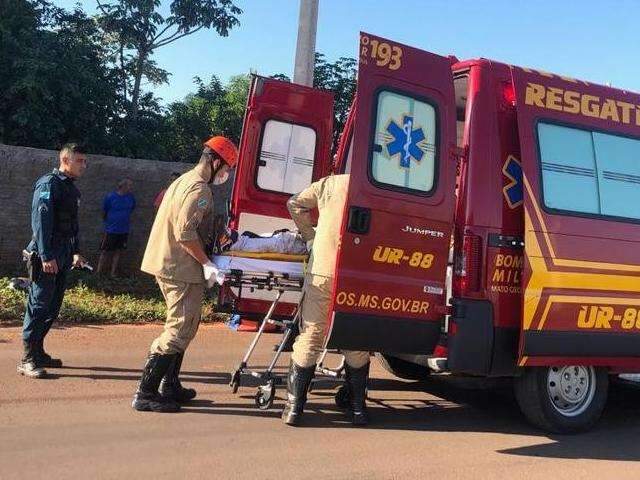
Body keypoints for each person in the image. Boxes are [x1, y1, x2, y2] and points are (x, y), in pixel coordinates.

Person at [132, 136, 237, 413]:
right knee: (179, 329)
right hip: (180, 267)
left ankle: (171, 385)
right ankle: (146, 392)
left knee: (187, 326)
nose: (226, 174)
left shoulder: (183, 181)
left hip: (172, 264)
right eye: (226, 168)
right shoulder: (199, 190)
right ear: (215, 162)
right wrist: (207, 264)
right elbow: (185, 234)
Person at [283, 174, 370, 426]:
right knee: (354, 338)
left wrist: (311, 237)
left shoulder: (330, 184)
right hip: (357, 273)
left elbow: (294, 203)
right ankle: (357, 411)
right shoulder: (375, 186)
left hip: (323, 270)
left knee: (312, 334)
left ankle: (294, 409)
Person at [18, 143, 88, 378]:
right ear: (65, 160)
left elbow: (74, 226)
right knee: (38, 305)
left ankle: (38, 351)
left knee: (52, 306)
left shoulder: (71, 189)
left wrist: (76, 252)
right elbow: (40, 223)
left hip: (64, 255)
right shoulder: (48, 184)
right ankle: (27, 359)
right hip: (46, 255)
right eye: (80, 161)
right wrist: (46, 256)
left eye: (84, 161)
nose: (84, 165)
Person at [97, 179, 136, 277]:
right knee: (105, 251)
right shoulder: (111, 197)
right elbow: (104, 211)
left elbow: (132, 209)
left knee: (118, 251)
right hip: (111, 229)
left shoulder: (131, 198)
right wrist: (109, 222)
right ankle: (98, 272)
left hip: (124, 230)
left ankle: (113, 273)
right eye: (129, 186)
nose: (131, 188)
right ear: (123, 186)